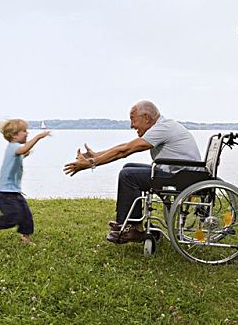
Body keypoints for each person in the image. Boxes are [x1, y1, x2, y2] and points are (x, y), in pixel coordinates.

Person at [63, 100, 202, 244]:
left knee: (128, 176)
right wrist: (96, 155)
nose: (131, 125)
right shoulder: (162, 126)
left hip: (182, 177)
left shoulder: (163, 128)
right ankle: (130, 223)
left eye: (133, 119)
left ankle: (133, 228)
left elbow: (126, 150)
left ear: (146, 117)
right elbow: (126, 146)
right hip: (181, 173)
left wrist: (91, 163)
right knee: (128, 167)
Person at [0, 119, 51, 244]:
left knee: (26, 215)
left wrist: (26, 154)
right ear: (14, 135)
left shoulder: (15, 149)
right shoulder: (14, 147)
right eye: (23, 131)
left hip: (14, 192)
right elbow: (22, 150)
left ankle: (25, 239)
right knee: (13, 217)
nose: (27, 133)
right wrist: (39, 137)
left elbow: (21, 154)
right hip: (5, 194)